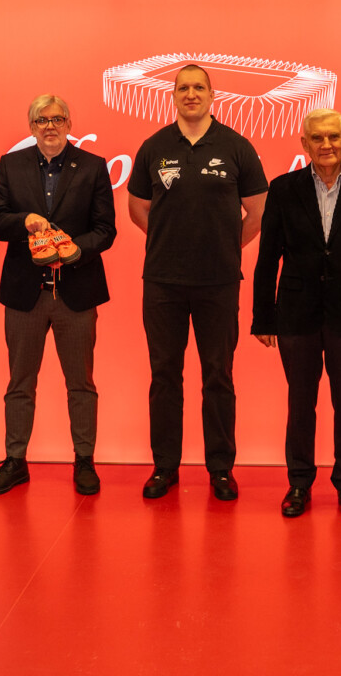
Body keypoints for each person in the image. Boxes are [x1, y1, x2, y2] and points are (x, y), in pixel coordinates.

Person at [251, 109, 341, 521]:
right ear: (304, 143)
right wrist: (263, 317)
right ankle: (299, 483)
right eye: (317, 138)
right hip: (295, 313)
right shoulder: (283, 189)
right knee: (300, 403)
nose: (326, 144)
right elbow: (268, 258)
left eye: (334, 137)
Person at [128, 64, 268, 501]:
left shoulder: (236, 146)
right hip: (163, 282)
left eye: (199, 88)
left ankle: (221, 469)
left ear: (212, 95)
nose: (191, 94)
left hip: (219, 282)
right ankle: (165, 467)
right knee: (164, 375)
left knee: (218, 376)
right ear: (173, 95)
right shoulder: (154, 146)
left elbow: (258, 212)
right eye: (183, 88)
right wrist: (169, 242)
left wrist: (224, 247)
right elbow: (137, 208)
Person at [0, 95, 116, 497]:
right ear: (31, 127)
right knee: (19, 383)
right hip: (25, 293)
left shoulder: (92, 166)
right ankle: (15, 461)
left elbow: (105, 229)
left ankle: (84, 460)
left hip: (77, 292)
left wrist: (76, 250)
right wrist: (23, 221)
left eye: (57, 119)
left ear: (69, 123)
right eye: (42, 120)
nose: (50, 126)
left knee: (81, 384)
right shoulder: (11, 164)